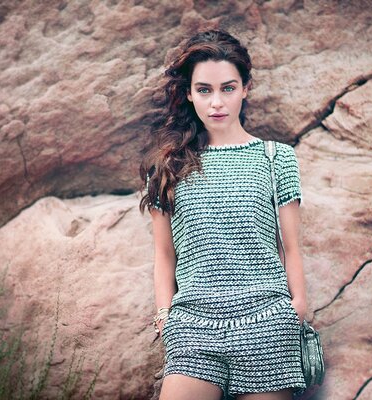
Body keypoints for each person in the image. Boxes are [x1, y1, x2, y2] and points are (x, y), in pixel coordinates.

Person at [139, 29, 308, 400]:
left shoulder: (276, 158)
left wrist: (295, 309)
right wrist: (166, 318)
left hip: (267, 325)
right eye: (204, 90)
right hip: (193, 328)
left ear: (245, 88)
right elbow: (164, 253)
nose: (217, 102)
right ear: (188, 93)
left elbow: (291, 246)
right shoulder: (167, 166)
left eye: (228, 88)